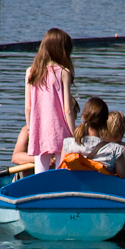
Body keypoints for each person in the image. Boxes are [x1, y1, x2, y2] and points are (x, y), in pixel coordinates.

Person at [25, 28, 75, 174]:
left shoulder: (31, 72)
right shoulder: (64, 72)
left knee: (40, 173)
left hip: (38, 129)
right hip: (61, 130)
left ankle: (40, 193)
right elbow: (68, 110)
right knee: (62, 172)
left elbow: (28, 108)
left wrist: (30, 129)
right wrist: (73, 135)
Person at [12, 98, 79, 171]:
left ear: (74, 114)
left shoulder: (79, 133)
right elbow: (16, 157)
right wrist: (44, 160)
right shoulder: (27, 131)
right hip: (30, 174)